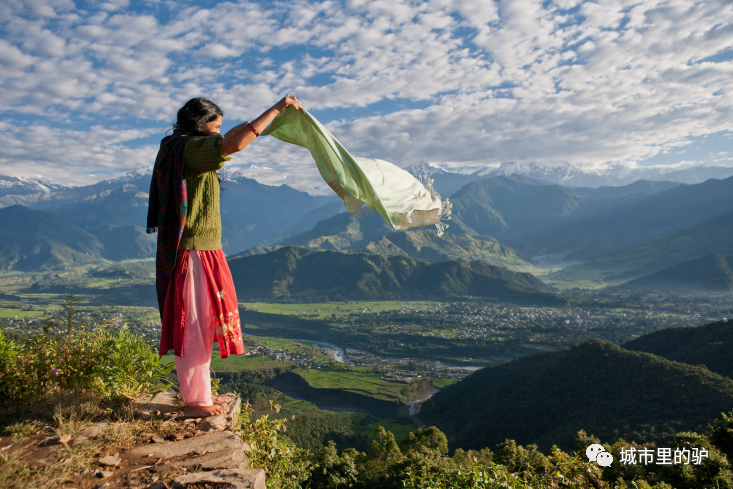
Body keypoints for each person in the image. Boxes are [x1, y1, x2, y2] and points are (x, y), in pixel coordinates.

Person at [148, 95, 304, 417]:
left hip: (201, 250)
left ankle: (199, 395)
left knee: (200, 325)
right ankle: (195, 402)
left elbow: (229, 136)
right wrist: (276, 109)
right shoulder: (191, 149)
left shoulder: (180, 147)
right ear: (199, 125)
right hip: (194, 252)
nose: (218, 134)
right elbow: (233, 143)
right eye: (214, 127)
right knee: (193, 326)